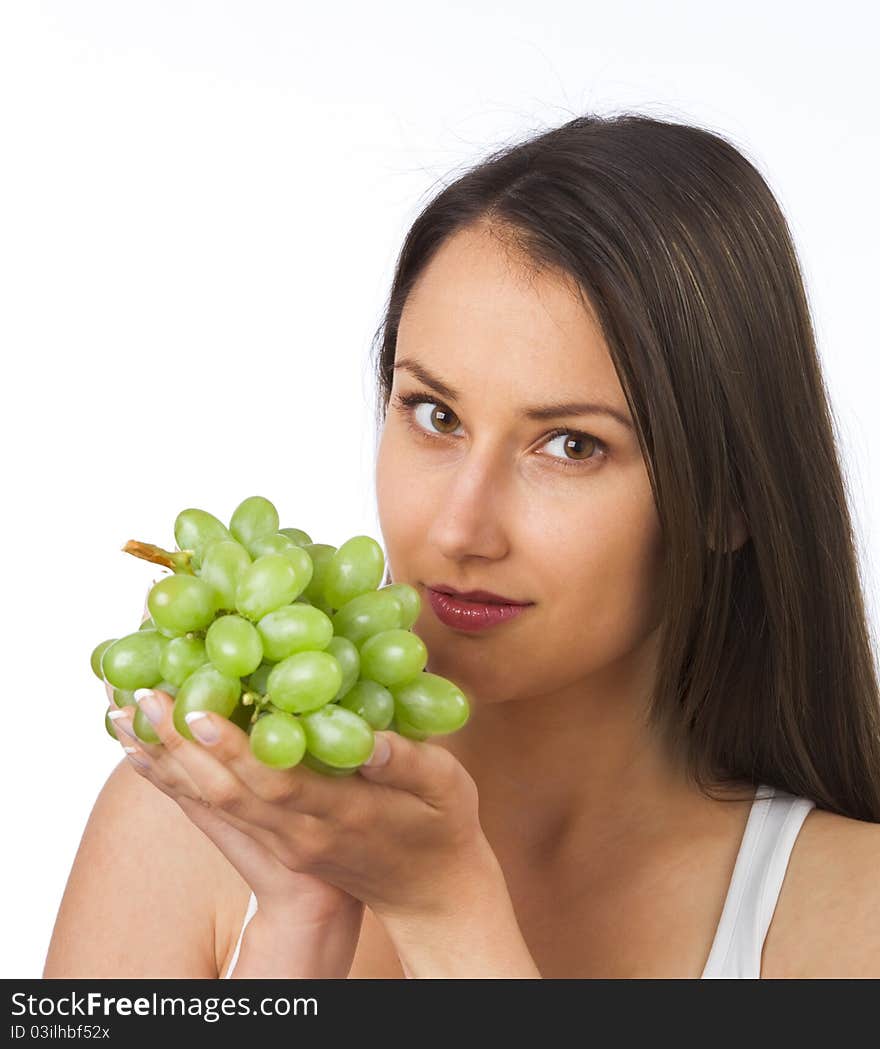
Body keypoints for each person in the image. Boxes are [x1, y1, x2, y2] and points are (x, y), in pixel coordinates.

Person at [44, 113, 880, 979]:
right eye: (434, 415)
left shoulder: (853, 912)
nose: (457, 528)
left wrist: (446, 908)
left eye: (570, 445)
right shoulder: (185, 834)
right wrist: (295, 931)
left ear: (730, 497)